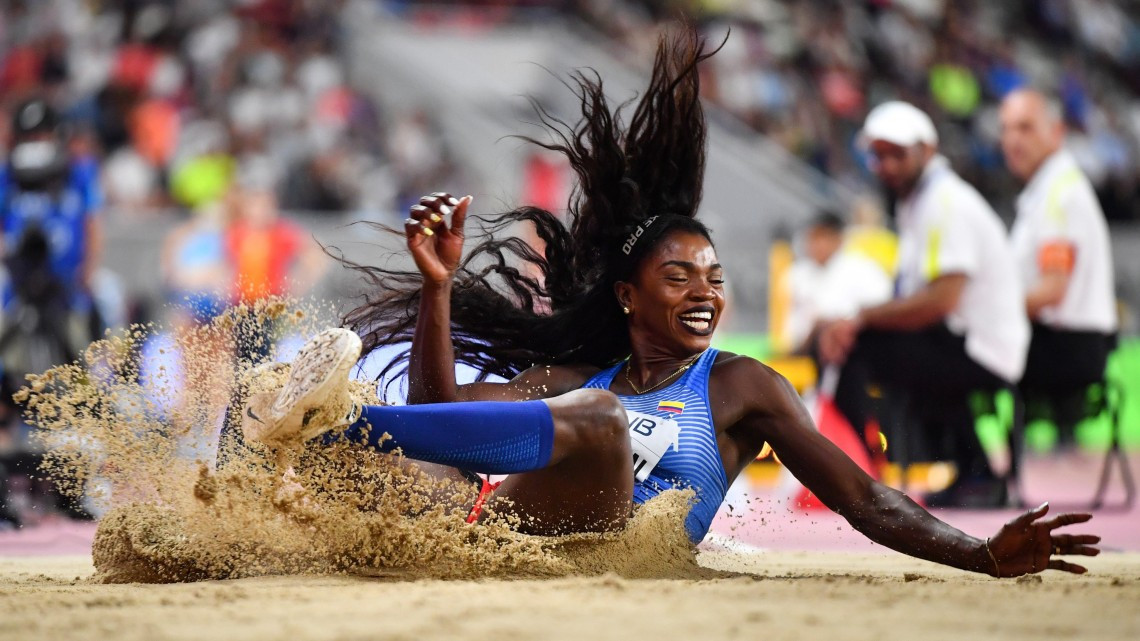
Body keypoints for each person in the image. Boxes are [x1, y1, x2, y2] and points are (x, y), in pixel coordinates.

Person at [241, 34, 1096, 577]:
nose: (706, 292)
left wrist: (981, 554)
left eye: (714, 276)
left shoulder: (739, 388)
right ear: (627, 295)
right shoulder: (577, 374)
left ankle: (339, 421)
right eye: (680, 276)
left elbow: (864, 498)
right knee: (409, 469)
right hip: (498, 538)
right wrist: (435, 286)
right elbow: (443, 412)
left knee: (602, 423)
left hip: (610, 555)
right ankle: (269, 458)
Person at [818, 101, 1031, 508]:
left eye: (897, 154)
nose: (887, 165)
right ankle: (970, 472)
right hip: (960, 339)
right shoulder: (920, 202)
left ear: (928, 151)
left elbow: (939, 300)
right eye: (878, 156)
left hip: (980, 348)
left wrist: (858, 319)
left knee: (861, 348)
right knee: (872, 344)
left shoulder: (944, 204)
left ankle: (860, 477)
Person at [999, 89, 1117, 446]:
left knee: (953, 350)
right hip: (1068, 344)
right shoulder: (1048, 191)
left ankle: (974, 468)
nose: (1012, 140)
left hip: (1066, 349)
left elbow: (1052, 290)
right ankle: (974, 467)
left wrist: (986, 311)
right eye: (1006, 130)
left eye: (1025, 128)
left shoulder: (1058, 196)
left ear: (1056, 132)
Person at [780, 211, 892, 356]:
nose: (817, 245)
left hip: (850, 349)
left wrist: (831, 324)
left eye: (823, 238)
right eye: (813, 238)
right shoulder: (796, 274)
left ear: (838, 239)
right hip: (801, 353)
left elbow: (879, 311)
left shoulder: (864, 270)